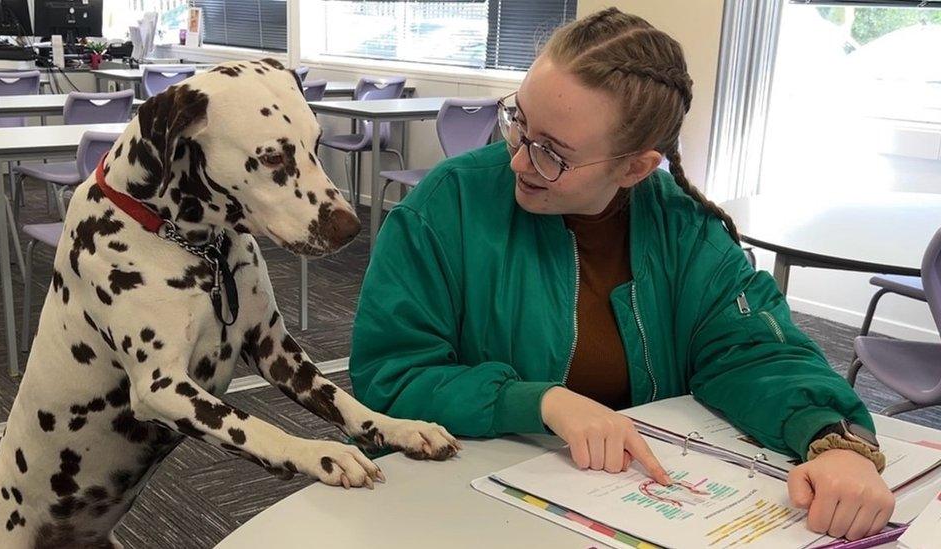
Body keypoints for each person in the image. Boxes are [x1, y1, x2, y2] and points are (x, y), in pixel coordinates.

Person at [349, 8, 894, 542]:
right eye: (518, 122)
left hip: (625, 509)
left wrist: (835, 441)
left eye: (552, 154)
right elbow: (389, 376)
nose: (517, 161)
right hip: (456, 502)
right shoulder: (447, 207)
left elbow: (753, 351)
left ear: (635, 166)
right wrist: (538, 402)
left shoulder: (683, 227)